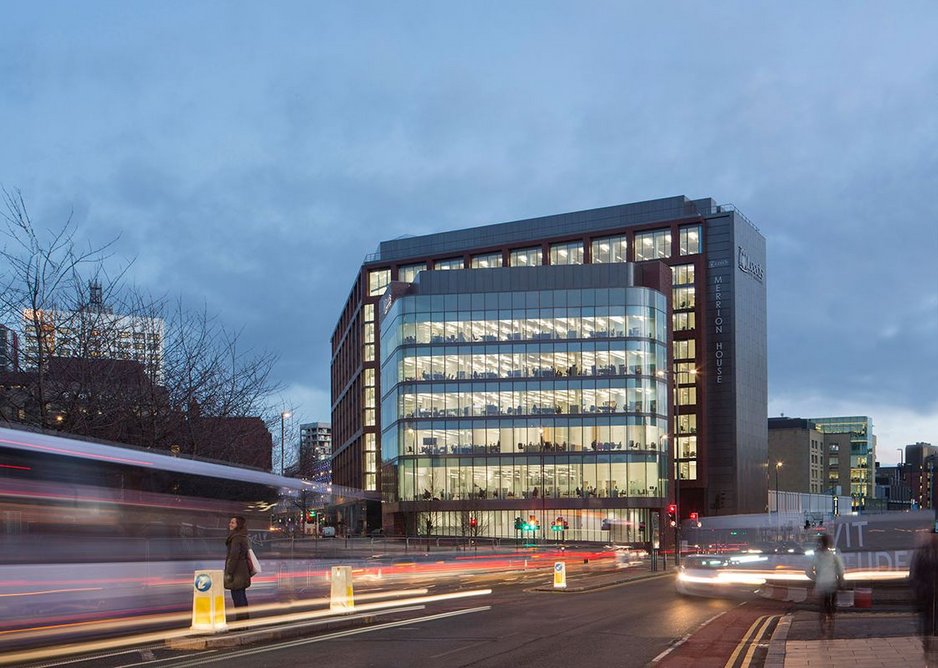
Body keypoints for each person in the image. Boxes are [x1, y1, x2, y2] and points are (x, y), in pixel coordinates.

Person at [809, 533, 844, 638]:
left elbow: (808, 571)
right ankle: (830, 624)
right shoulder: (834, 557)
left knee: (822, 607)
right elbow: (841, 572)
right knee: (831, 607)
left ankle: (823, 626)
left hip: (821, 585)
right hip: (832, 584)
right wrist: (841, 583)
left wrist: (817, 579)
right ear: (829, 544)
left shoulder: (816, 556)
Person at [910, 531, 938, 661]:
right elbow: (915, 574)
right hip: (926, 594)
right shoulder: (922, 553)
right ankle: (927, 646)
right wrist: (920, 590)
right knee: (927, 622)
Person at [224, 515, 252, 621]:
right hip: (242, 571)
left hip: (237, 572)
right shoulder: (242, 536)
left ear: (238, 525)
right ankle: (244, 622)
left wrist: (229, 572)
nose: (230, 524)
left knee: (238, 598)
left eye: (233, 523)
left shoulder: (236, 538)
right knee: (242, 597)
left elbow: (233, 556)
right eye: (230, 522)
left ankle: (240, 623)